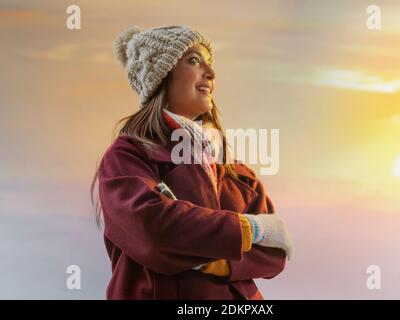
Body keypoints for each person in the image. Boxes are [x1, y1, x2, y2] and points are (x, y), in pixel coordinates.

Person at [91, 24, 293, 300]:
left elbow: (275, 253)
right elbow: (152, 230)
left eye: (209, 64)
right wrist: (251, 229)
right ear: (161, 76)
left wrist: (213, 259)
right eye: (194, 61)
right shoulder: (127, 156)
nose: (211, 73)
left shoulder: (236, 171)